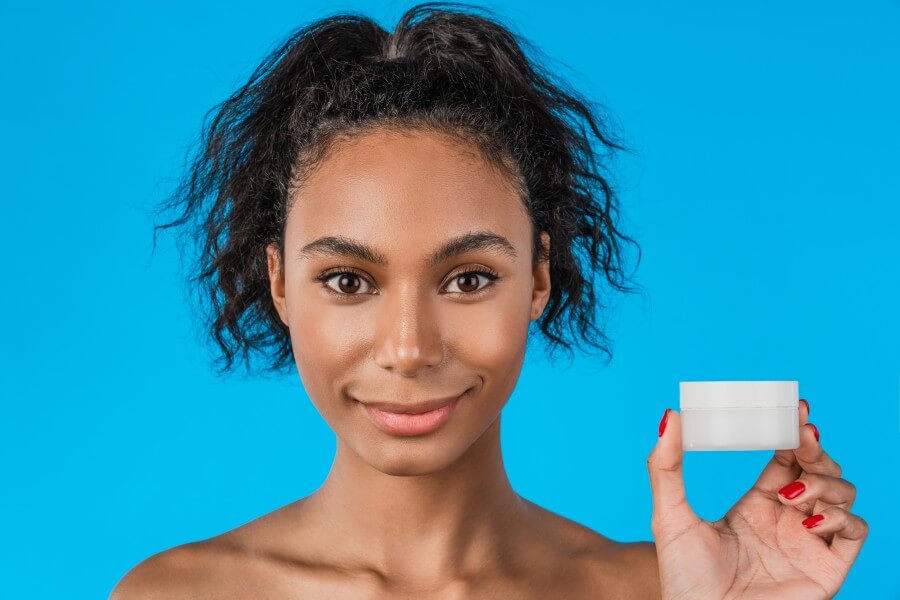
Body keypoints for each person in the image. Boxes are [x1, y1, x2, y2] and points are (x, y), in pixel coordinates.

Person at [111, 3, 867, 598]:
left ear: (538, 277)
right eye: (348, 281)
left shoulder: (667, 589)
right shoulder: (174, 596)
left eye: (468, 278)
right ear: (279, 281)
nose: (408, 348)